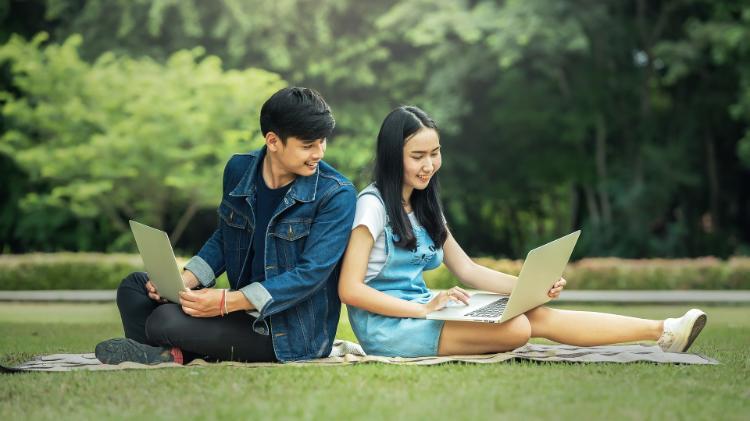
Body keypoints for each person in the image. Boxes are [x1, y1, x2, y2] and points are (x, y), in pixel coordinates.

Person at [338, 105, 707, 358]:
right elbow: (349, 289)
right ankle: (661, 331)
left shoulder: (423, 204)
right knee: (517, 330)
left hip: (425, 310)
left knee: (535, 314)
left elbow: (467, 270)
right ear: (392, 156)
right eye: (417, 156)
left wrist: (528, 288)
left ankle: (664, 330)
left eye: (435, 153)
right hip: (390, 327)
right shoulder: (372, 206)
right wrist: (421, 311)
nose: (430, 165)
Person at [96, 87, 357, 364]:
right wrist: (185, 280)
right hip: (238, 313)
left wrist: (226, 302)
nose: (319, 153)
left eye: (322, 142)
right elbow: (225, 237)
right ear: (273, 141)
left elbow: (310, 275)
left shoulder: (336, 194)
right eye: (308, 145)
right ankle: (166, 354)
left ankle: (167, 350)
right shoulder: (238, 170)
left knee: (164, 320)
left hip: (287, 331)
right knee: (135, 287)